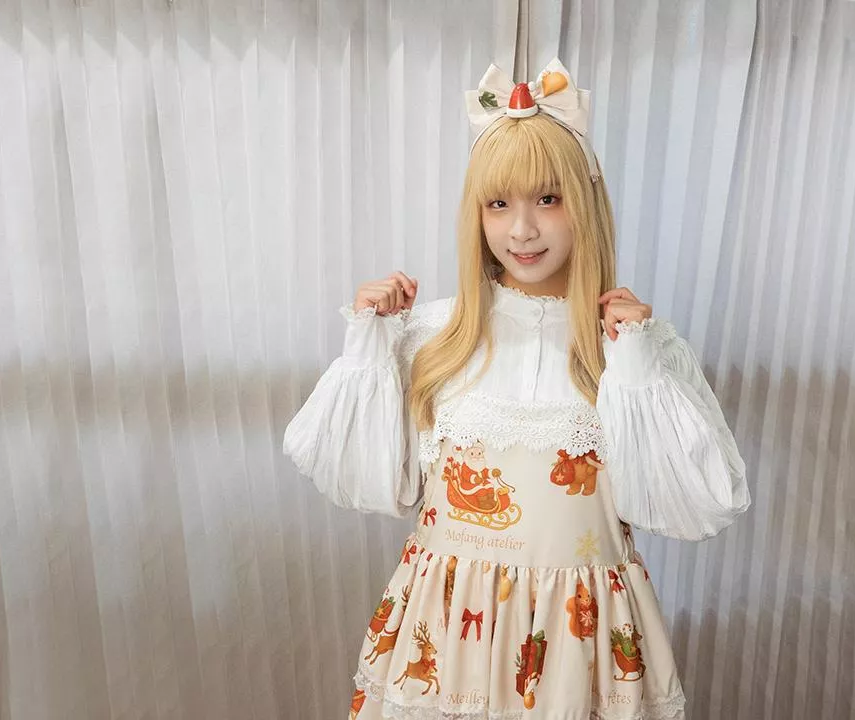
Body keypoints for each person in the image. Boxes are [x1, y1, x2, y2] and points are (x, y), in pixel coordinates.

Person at [283, 58, 750, 720]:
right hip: (447, 645)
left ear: (584, 203)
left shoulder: (627, 352)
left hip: (578, 652)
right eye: (498, 204)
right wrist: (370, 343)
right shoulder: (433, 338)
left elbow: (694, 506)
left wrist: (638, 364)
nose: (521, 230)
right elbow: (373, 483)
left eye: (548, 199)